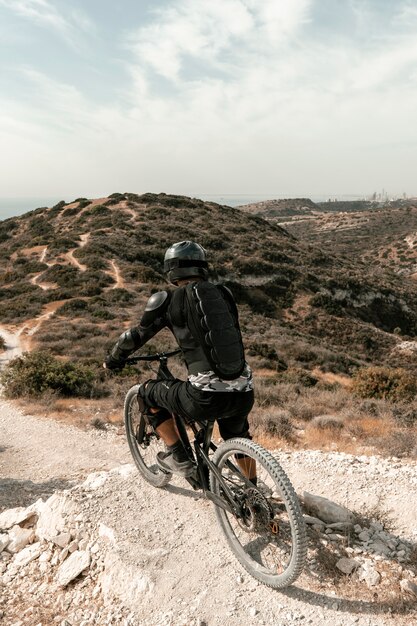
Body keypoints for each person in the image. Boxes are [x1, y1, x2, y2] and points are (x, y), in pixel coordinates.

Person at [104, 241, 255, 481]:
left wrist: (113, 360)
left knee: (145, 394)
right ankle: (254, 490)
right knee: (239, 434)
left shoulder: (167, 300)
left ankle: (180, 459)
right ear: (202, 266)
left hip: (204, 397)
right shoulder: (224, 294)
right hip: (244, 392)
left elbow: (134, 337)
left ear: (171, 270)